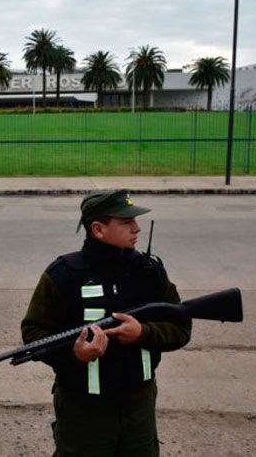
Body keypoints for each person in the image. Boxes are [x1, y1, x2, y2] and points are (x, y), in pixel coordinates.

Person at [21, 190, 191, 456]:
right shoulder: (64, 274)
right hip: (83, 411)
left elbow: (181, 328)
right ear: (98, 229)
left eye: (135, 220)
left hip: (140, 408)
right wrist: (75, 354)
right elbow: (33, 333)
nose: (137, 228)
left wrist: (143, 333)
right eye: (126, 222)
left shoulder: (150, 271)